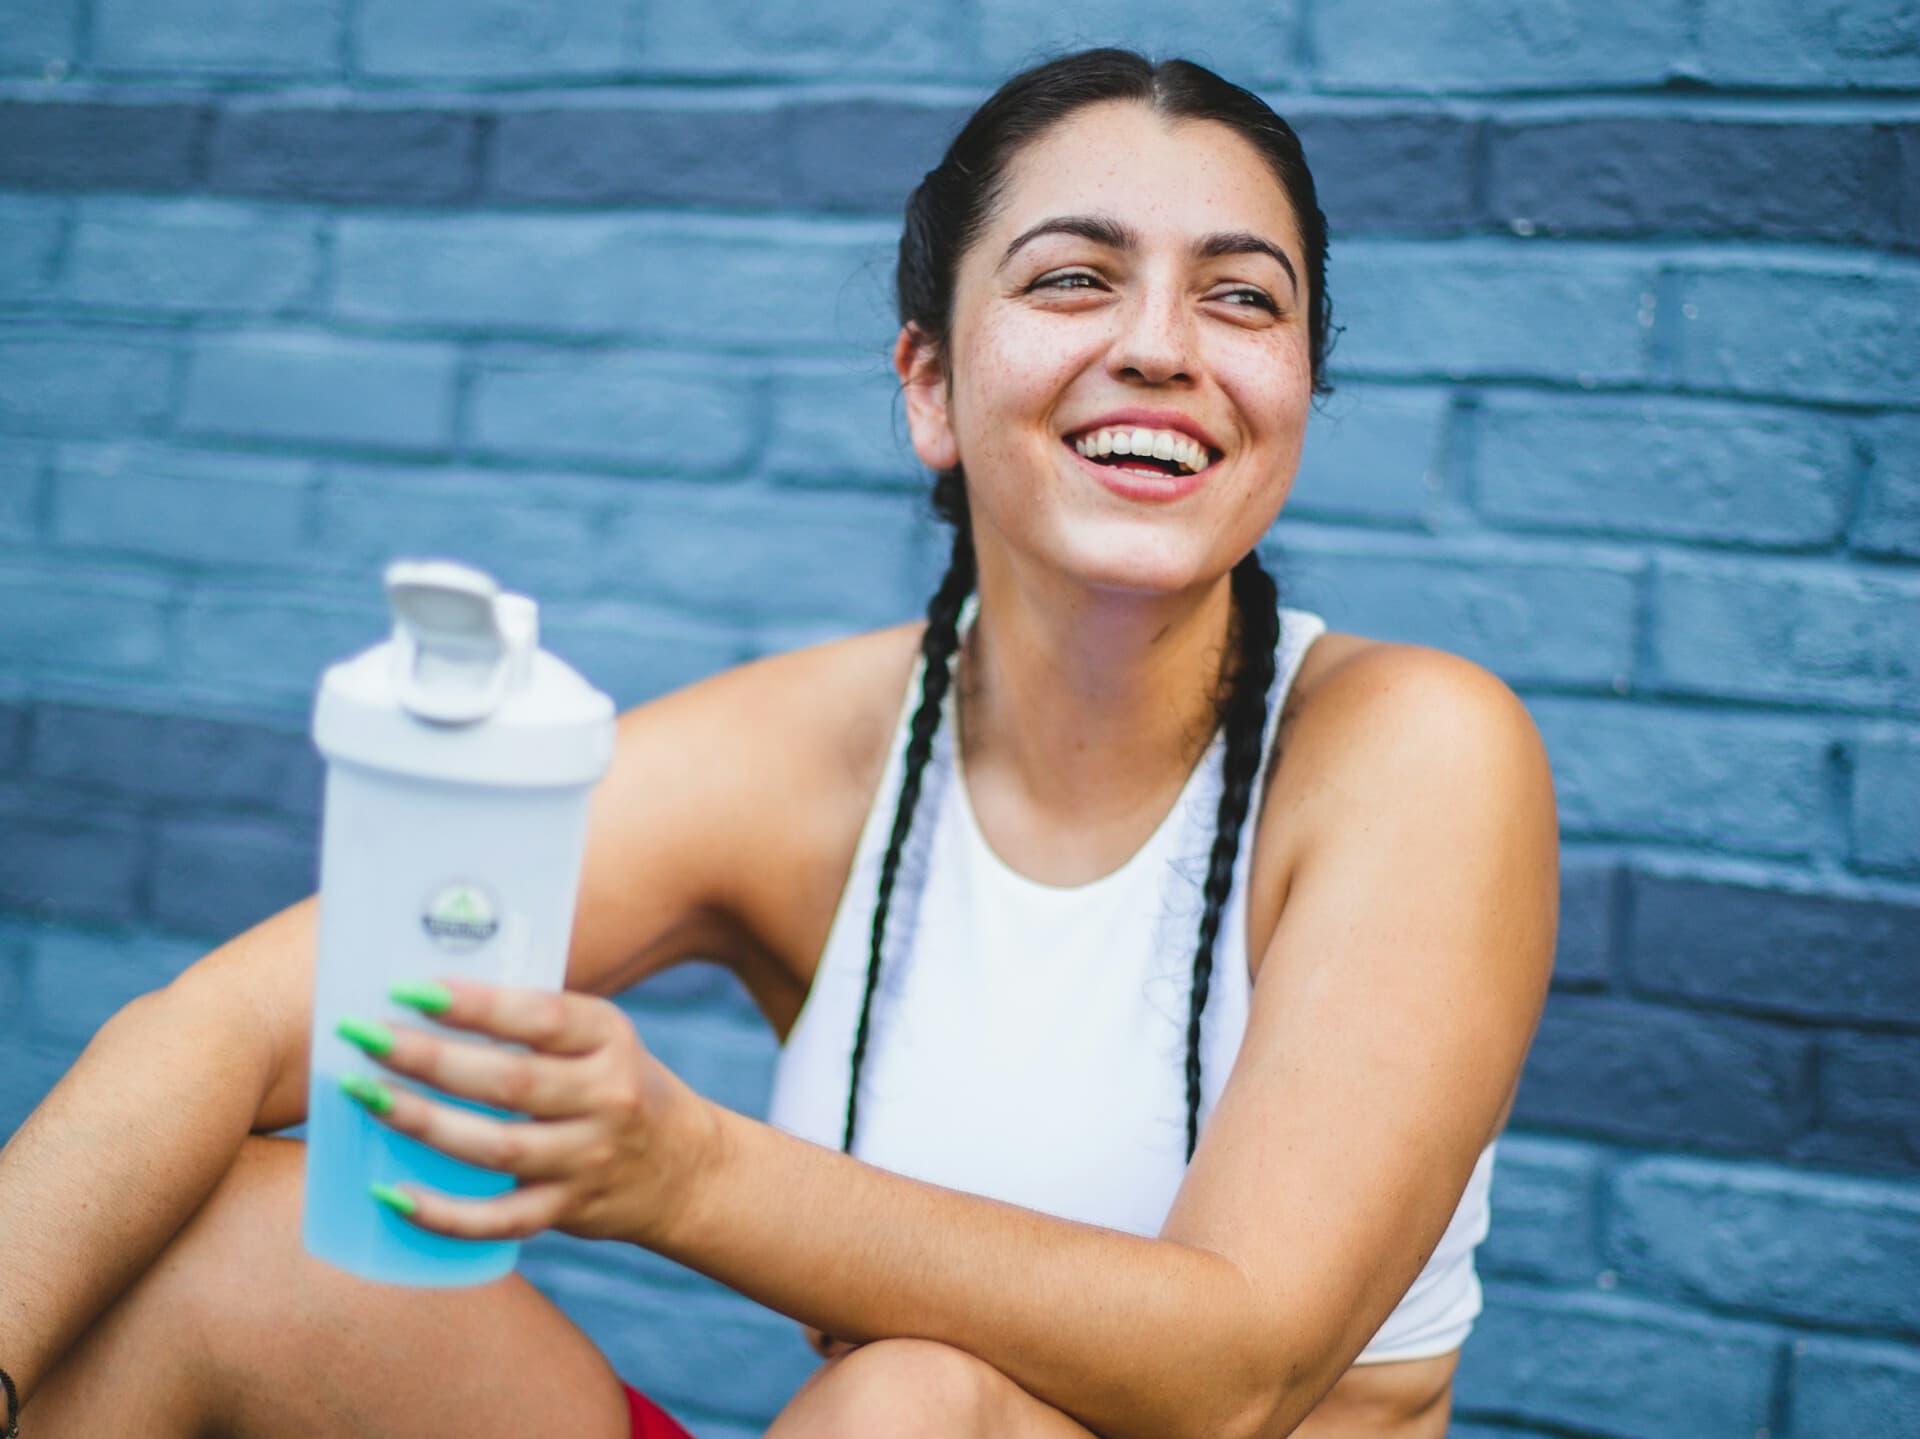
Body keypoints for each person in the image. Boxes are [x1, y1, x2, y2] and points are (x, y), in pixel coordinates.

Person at [0, 48, 1557, 1439]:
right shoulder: (823, 750)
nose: (1162, 344)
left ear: (1294, 391)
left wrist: (682, 1174)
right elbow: (214, 1030)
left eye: (1240, 296)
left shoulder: (1414, 754)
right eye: (1075, 278)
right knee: (232, 1242)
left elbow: (1240, 1371)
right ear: (931, 388)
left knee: (913, 1396)